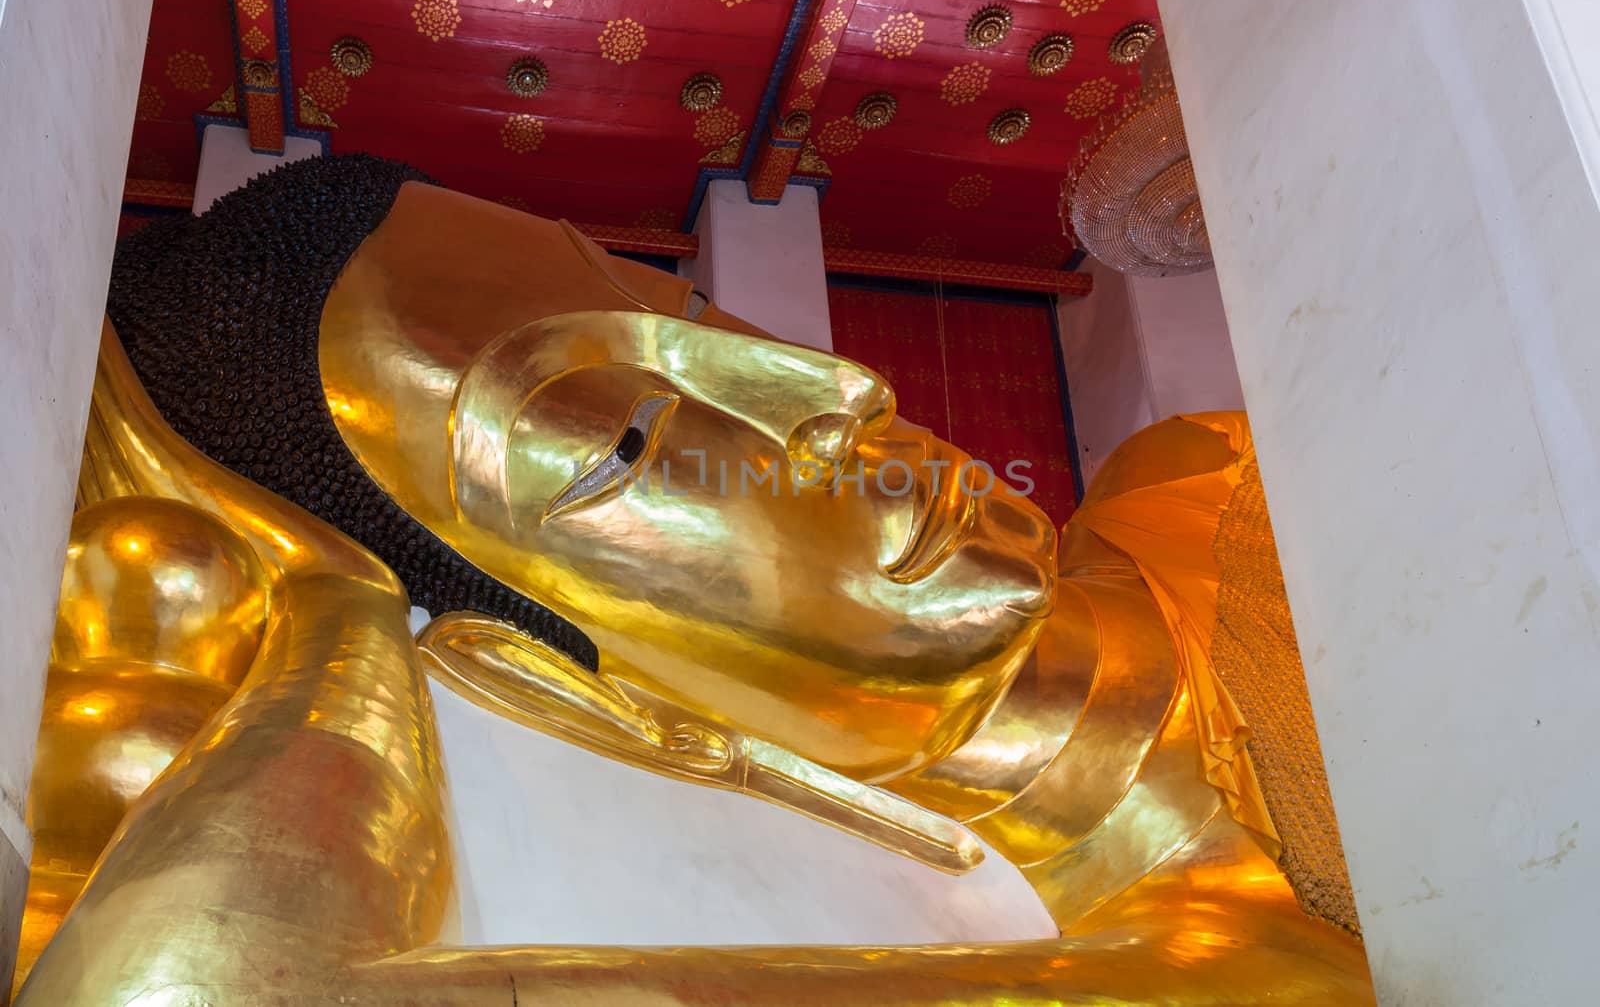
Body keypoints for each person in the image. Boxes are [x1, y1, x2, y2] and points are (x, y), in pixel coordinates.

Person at [15, 157, 1372, 1003]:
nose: (841, 393)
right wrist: (331, 636)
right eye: (629, 440)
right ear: (586, 688)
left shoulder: (1236, 489)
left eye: (697, 315)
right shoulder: (1204, 948)